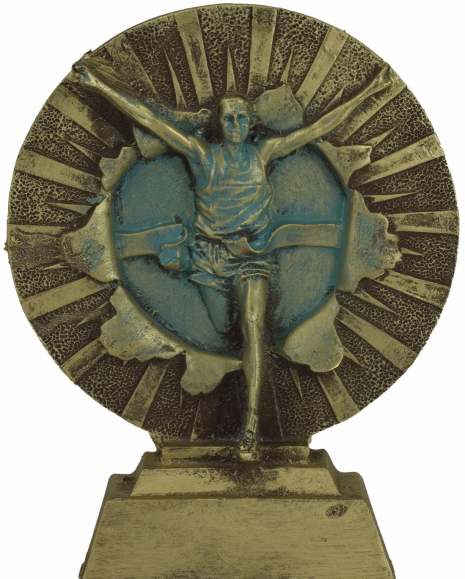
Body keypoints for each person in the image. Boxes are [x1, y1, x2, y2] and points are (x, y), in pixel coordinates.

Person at [73, 60, 392, 461]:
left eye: (242, 117)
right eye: (229, 118)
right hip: (208, 260)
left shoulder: (265, 153)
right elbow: (150, 121)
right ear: (220, 124)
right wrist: (98, 84)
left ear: (251, 122)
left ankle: (251, 424)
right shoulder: (201, 155)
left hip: (250, 260)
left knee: (253, 325)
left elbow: (317, 129)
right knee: (224, 326)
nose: (236, 123)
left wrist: (370, 90)